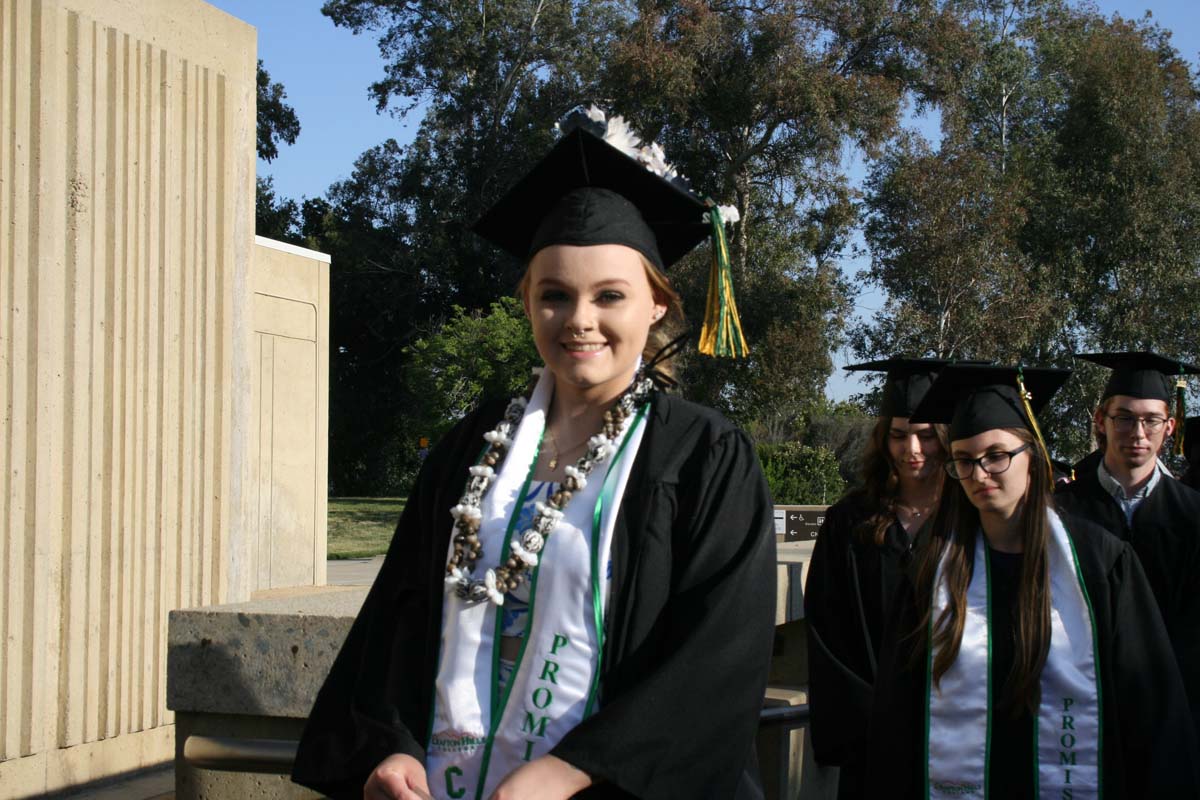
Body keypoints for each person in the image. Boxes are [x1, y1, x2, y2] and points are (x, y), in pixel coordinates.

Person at [290, 107, 777, 800]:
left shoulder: (703, 456)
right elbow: (397, 621)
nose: (579, 320)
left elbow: (716, 655)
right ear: (526, 302)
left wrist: (574, 768)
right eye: (554, 295)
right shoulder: (471, 449)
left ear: (656, 306)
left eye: (610, 296)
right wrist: (390, 747)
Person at [867, 364, 1199, 798]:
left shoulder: (1099, 563)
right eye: (963, 461)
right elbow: (897, 714)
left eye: (997, 455)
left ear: (1032, 455)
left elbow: (1150, 708)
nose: (979, 474)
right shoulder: (935, 570)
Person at [804, 358, 953, 800]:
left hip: (955, 731)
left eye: (926, 435)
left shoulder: (966, 520)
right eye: (899, 435)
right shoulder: (850, 521)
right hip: (871, 737)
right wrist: (877, 717)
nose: (912, 449)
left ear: (946, 438)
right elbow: (828, 627)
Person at [1055, 351, 1200, 746]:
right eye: (1124, 418)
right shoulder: (1059, 512)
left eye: (1151, 420)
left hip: (1176, 711)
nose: (1138, 433)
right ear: (1101, 420)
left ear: (1170, 427)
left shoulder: (1193, 516)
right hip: (1081, 709)